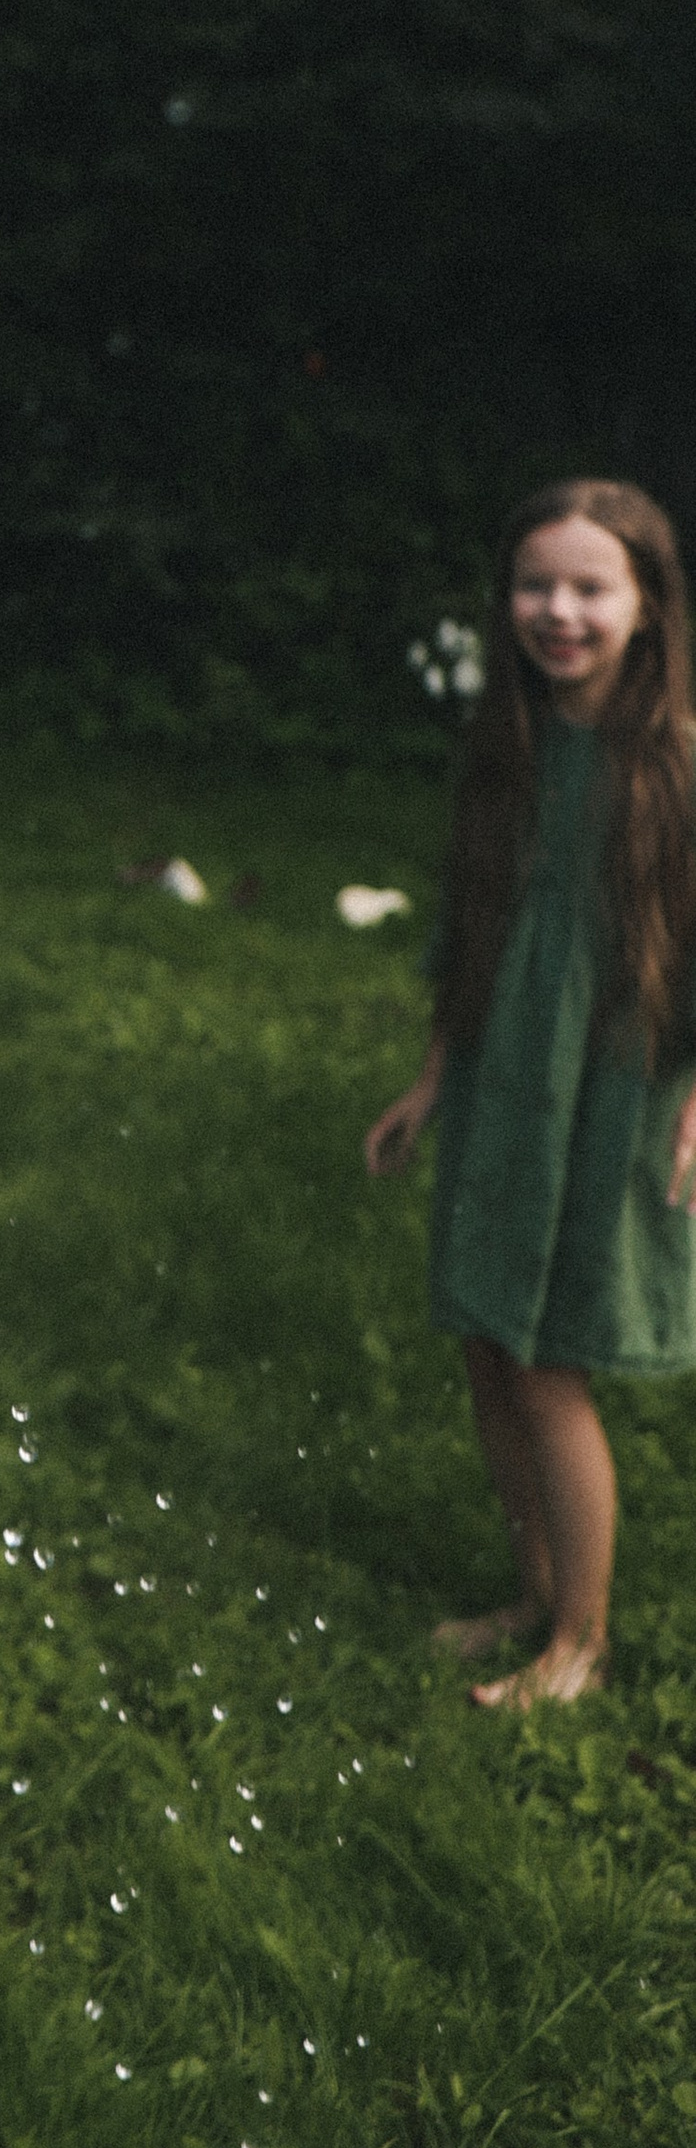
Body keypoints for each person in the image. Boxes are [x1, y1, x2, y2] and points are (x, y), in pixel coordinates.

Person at [365, 479, 696, 1709]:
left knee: (552, 1361)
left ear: (647, 605)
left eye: (589, 588)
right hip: (505, 1074)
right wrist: (429, 1081)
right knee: (489, 1344)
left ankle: (580, 1644)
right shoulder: (506, 749)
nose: (558, 611)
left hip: (616, 1084)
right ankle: (534, 1591)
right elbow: (471, 926)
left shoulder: (675, 765)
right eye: (534, 586)